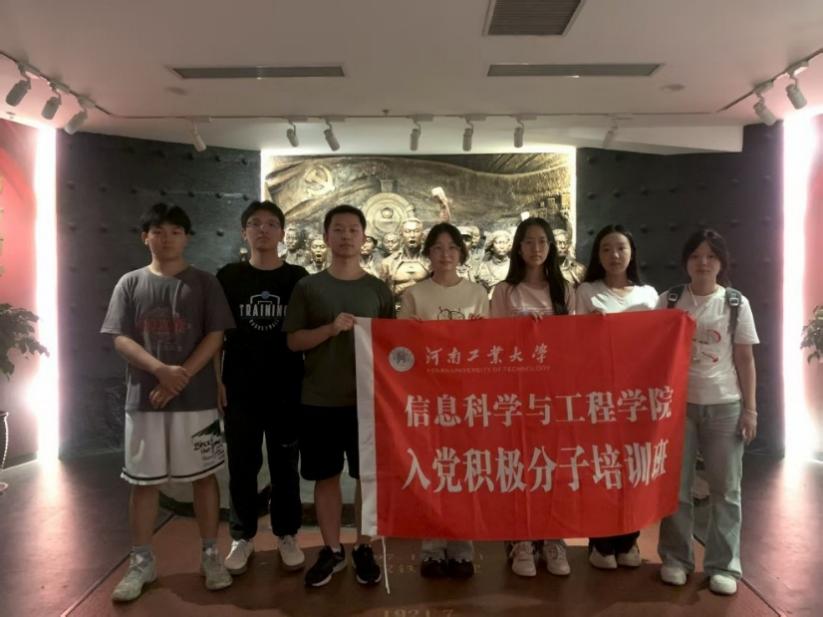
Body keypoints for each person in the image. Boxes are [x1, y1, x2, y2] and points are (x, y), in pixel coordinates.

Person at [101, 203, 235, 602]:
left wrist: (181, 377)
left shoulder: (205, 283)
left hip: (198, 401)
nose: (167, 238)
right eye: (158, 231)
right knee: (144, 484)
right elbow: (119, 337)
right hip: (146, 401)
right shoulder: (129, 283)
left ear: (187, 237)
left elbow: (216, 337)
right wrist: (161, 370)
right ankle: (142, 561)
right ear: (145, 237)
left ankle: (210, 555)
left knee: (204, 478)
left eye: (176, 231)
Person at [284, 205, 395, 588]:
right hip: (319, 399)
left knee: (367, 477)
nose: (346, 236)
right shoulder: (308, 287)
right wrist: (329, 330)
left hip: (367, 401)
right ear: (326, 236)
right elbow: (294, 340)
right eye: (338, 229)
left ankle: (364, 546)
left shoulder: (378, 289)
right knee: (326, 476)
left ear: (364, 238)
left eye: (353, 230)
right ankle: (332, 549)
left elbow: (393, 347)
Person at [657, 228, 758, 596]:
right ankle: (675, 559)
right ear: (686, 261)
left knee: (726, 490)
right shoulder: (669, 300)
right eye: (696, 256)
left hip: (725, 406)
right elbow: (651, 348)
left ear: (721, 263)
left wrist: (751, 410)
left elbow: (745, 359)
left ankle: (724, 566)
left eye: (711, 256)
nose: (703, 262)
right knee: (676, 489)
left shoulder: (735, 303)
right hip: (678, 408)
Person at [216, 201, 307, 576]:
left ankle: (287, 534)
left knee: (286, 466)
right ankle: (242, 537)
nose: (263, 230)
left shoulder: (298, 277)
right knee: (242, 464)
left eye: (271, 224)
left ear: (282, 232)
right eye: (254, 224)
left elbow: (305, 333)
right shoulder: (229, 276)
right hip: (240, 387)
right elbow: (216, 333)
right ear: (244, 232)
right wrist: (216, 380)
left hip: (287, 386)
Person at [397, 223, 489, 579]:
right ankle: (432, 549)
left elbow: (491, 349)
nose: (445, 254)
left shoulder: (478, 294)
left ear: (461, 253)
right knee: (432, 471)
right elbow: (400, 350)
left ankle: (462, 549)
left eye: (452, 247)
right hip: (426, 397)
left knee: (463, 471)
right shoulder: (414, 295)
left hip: (466, 398)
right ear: (429, 253)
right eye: (438, 247)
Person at [489, 217, 575, 578]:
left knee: (553, 466)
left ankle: (553, 538)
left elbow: (573, 342)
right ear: (518, 247)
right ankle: (521, 539)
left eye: (542, 241)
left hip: (553, 393)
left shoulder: (564, 289)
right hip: (516, 393)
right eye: (528, 242)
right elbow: (494, 343)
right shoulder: (504, 291)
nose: (536, 248)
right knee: (519, 466)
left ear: (550, 247)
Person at [576, 224, 658, 570]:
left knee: (632, 468)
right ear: (598, 255)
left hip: (637, 395)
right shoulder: (586, 292)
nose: (614, 255)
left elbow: (659, 342)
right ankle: (600, 542)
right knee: (601, 467)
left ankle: (629, 539)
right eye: (606, 248)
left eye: (621, 248)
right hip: (598, 395)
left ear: (632, 253)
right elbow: (573, 340)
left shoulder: (649, 295)